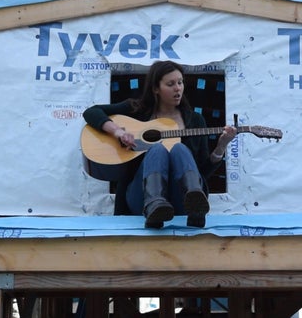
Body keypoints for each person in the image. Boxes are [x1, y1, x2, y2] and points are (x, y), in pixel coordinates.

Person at [83, 60, 237, 228]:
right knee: (157, 149)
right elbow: (91, 112)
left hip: (180, 200)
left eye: (180, 82)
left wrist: (221, 146)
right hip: (140, 199)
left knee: (179, 148)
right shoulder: (136, 110)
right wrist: (118, 132)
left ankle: (195, 205)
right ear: (156, 88)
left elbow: (203, 172)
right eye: (170, 84)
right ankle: (154, 204)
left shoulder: (195, 120)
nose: (178, 88)